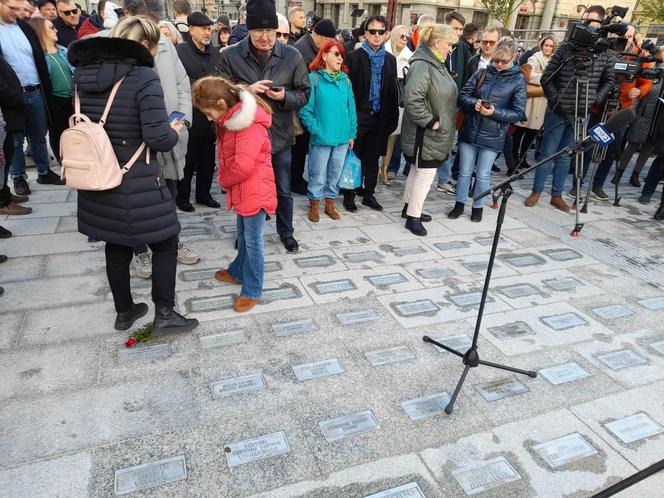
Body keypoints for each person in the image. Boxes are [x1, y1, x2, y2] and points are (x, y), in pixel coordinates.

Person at [69, 16, 198, 335]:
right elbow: (158, 139)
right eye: (153, 46)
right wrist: (174, 128)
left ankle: (124, 312)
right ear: (141, 44)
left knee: (115, 244)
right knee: (166, 242)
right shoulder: (142, 77)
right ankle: (165, 314)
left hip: (100, 175)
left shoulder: (82, 74)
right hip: (138, 179)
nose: (155, 53)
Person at [217, 0, 310, 254]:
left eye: (271, 31)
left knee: (283, 188)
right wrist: (247, 91)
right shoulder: (231, 55)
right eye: (259, 31)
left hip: (278, 136)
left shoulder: (292, 56)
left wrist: (284, 97)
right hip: (244, 139)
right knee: (244, 191)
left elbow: (304, 93)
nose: (265, 37)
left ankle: (286, 231)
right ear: (248, 29)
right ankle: (244, 235)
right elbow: (220, 95)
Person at [117, 0, 198, 279]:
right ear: (127, 16)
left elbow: (182, 83)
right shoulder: (110, 47)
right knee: (137, 202)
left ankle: (171, 242)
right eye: (143, 21)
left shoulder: (164, 44)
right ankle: (140, 252)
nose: (149, 30)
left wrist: (184, 120)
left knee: (168, 193)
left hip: (169, 135)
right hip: (131, 146)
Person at [192, 76, 277, 312]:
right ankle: (237, 271)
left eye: (209, 113)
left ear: (221, 103)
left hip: (254, 189)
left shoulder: (247, 125)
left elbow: (243, 165)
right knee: (243, 234)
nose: (209, 118)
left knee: (253, 240)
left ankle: (252, 289)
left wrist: (222, 179)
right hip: (245, 188)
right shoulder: (233, 119)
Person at [525, 5, 614, 211]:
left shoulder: (606, 53)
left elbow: (608, 81)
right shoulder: (566, 47)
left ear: (601, 24)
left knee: (566, 155)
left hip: (581, 113)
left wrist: (593, 99)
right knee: (547, 153)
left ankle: (556, 195)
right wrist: (558, 100)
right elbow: (548, 78)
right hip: (557, 111)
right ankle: (536, 191)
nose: (587, 25)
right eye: (586, 20)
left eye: (593, 21)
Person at [449, 37, 526, 222]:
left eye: (504, 61)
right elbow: (463, 96)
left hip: (494, 134)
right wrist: (474, 103)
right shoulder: (482, 73)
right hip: (470, 129)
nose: (499, 64)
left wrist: (494, 112)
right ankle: (459, 204)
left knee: (483, 173)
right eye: (496, 60)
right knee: (465, 171)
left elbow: (518, 113)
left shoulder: (518, 80)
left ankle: (478, 207)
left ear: (514, 57)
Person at [575, 25, 655, 198]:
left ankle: (598, 184)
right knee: (589, 145)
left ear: (634, 37)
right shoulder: (606, 49)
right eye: (622, 35)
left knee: (612, 150)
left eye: (629, 36)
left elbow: (647, 80)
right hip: (599, 106)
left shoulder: (640, 55)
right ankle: (578, 184)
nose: (625, 39)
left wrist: (640, 91)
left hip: (622, 110)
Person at [0, 0, 65, 195]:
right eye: (13, 8)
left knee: (38, 135)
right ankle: (19, 177)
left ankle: (44, 171)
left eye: (21, 8)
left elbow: (37, 58)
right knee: (16, 139)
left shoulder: (25, 29)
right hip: (12, 96)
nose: (19, 12)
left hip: (36, 91)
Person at [401, 24, 457, 236]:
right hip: (425, 133)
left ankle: (409, 209)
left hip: (430, 133)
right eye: (449, 44)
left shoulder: (435, 63)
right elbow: (413, 99)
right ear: (437, 42)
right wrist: (430, 121)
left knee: (418, 171)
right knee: (425, 174)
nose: (451, 49)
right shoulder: (424, 65)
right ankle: (413, 217)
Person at [343, 15, 398, 213]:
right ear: (365, 34)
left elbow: (393, 91)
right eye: (372, 31)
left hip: (380, 116)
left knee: (373, 157)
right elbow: (347, 93)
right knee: (353, 156)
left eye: (380, 32)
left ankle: (369, 194)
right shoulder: (353, 57)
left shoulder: (390, 60)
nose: (376, 36)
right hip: (359, 115)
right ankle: (349, 194)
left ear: (386, 34)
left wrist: (392, 119)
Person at [299, 39, 356, 223]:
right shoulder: (314, 78)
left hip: (341, 138)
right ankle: (314, 204)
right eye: (336, 54)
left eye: (341, 55)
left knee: (335, 173)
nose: (340, 58)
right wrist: (316, 130)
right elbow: (305, 110)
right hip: (321, 138)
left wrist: (351, 133)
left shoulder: (345, 80)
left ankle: (330, 203)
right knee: (317, 173)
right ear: (324, 56)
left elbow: (351, 109)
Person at [175, 11, 221, 211]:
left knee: (207, 161)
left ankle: (204, 194)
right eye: (203, 28)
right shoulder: (180, 52)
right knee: (187, 161)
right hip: (189, 116)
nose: (207, 32)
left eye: (209, 29)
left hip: (210, 119)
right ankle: (182, 197)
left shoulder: (216, 54)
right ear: (191, 29)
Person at [291, 17, 336, 194]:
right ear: (315, 34)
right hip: (301, 107)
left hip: (313, 106)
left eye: (329, 41)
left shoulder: (316, 48)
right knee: (299, 148)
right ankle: (295, 181)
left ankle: (298, 178)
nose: (326, 43)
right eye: (324, 39)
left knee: (304, 147)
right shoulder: (300, 50)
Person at [28, 16, 72, 165]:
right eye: (51, 27)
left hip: (72, 99)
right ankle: (64, 163)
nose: (56, 29)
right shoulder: (38, 56)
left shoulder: (64, 51)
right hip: (54, 100)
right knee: (58, 134)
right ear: (40, 31)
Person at [511, 35, 557, 172]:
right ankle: (513, 159)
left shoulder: (555, 61)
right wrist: (546, 78)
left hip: (543, 102)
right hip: (530, 100)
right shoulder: (534, 58)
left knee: (532, 133)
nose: (548, 48)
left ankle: (522, 158)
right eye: (546, 45)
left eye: (550, 46)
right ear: (542, 45)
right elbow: (528, 75)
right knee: (520, 131)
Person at [0, 53, 31, 216]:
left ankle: (4, 194)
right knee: (3, 158)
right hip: (6, 109)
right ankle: (2, 202)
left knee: (7, 155)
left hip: (7, 111)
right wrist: (15, 98)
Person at [383, 24, 412, 183]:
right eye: (402, 36)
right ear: (394, 35)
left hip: (398, 102)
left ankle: (385, 171)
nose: (405, 39)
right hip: (381, 100)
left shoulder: (410, 56)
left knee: (392, 139)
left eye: (407, 36)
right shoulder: (382, 52)